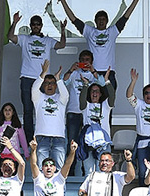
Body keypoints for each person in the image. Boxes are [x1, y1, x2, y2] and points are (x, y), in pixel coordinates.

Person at [9, 13, 67, 143]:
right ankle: (30, 139)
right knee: (28, 110)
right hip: (27, 78)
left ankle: (43, 135)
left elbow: (62, 45)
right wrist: (14, 23)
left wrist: (63, 31)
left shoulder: (47, 40)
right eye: (33, 24)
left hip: (44, 80)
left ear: (41, 26)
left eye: (38, 24)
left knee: (44, 108)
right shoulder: (24, 39)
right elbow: (11, 37)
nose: (36, 26)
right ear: (30, 26)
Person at [60, 0, 141, 90]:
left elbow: (125, 17)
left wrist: (135, 1)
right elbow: (73, 19)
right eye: (99, 19)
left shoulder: (112, 31)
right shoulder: (89, 31)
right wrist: (63, 1)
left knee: (109, 101)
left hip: (109, 72)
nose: (101, 21)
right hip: (92, 71)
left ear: (107, 21)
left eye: (103, 19)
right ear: (95, 21)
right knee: (92, 101)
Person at [32, 61, 70, 169]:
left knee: (58, 169)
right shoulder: (38, 98)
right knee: (41, 168)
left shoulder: (60, 98)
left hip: (59, 138)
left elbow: (66, 94)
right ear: (43, 85)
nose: (49, 85)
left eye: (52, 83)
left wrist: (58, 79)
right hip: (42, 137)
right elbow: (34, 88)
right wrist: (43, 73)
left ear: (56, 86)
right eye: (47, 83)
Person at [77, 77, 115, 175]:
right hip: (88, 144)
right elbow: (81, 99)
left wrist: (107, 81)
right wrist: (85, 85)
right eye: (92, 91)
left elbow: (112, 96)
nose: (94, 93)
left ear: (101, 94)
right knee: (88, 172)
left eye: (97, 91)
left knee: (103, 171)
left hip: (104, 144)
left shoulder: (105, 106)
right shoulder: (86, 106)